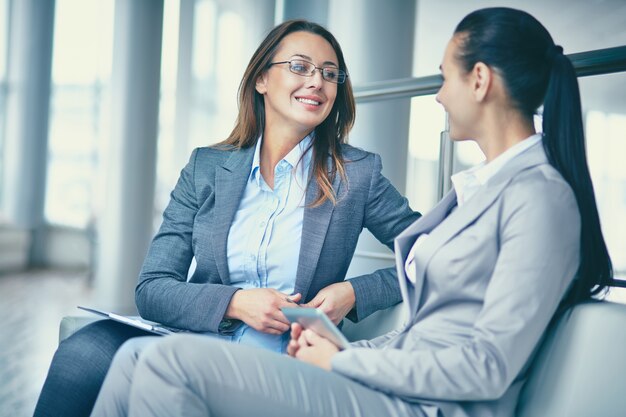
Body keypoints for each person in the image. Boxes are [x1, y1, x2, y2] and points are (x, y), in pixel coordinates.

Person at [90, 7, 613, 417]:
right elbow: (425, 331)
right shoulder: (483, 189)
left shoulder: (539, 197)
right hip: (382, 379)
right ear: (261, 81)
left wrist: (342, 354)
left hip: (420, 404)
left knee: (163, 364)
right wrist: (334, 344)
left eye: (443, 78)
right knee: (133, 356)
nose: (437, 96)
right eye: (299, 67)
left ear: (478, 81)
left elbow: (484, 363)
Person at [33, 20, 420, 417]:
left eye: (330, 73)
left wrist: (354, 292)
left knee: (143, 367)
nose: (317, 82)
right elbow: (152, 288)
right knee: (85, 350)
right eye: (301, 67)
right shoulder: (206, 167)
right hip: (193, 335)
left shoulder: (356, 175)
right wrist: (234, 303)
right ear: (262, 80)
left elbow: (434, 253)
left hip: (276, 358)